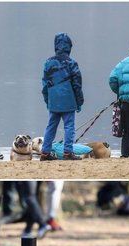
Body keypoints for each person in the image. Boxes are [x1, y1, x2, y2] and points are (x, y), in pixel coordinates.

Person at [39, 32, 84, 161]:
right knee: (69, 126)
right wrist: (79, 102)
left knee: (51, 126)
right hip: (68, 100)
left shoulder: (48, 63)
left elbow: (44, 85)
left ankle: (45, 152)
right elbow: (77, 84)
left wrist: (47, 100)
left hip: (53, 100)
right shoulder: (72, 63)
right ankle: (67, 153)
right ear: (69, 47)